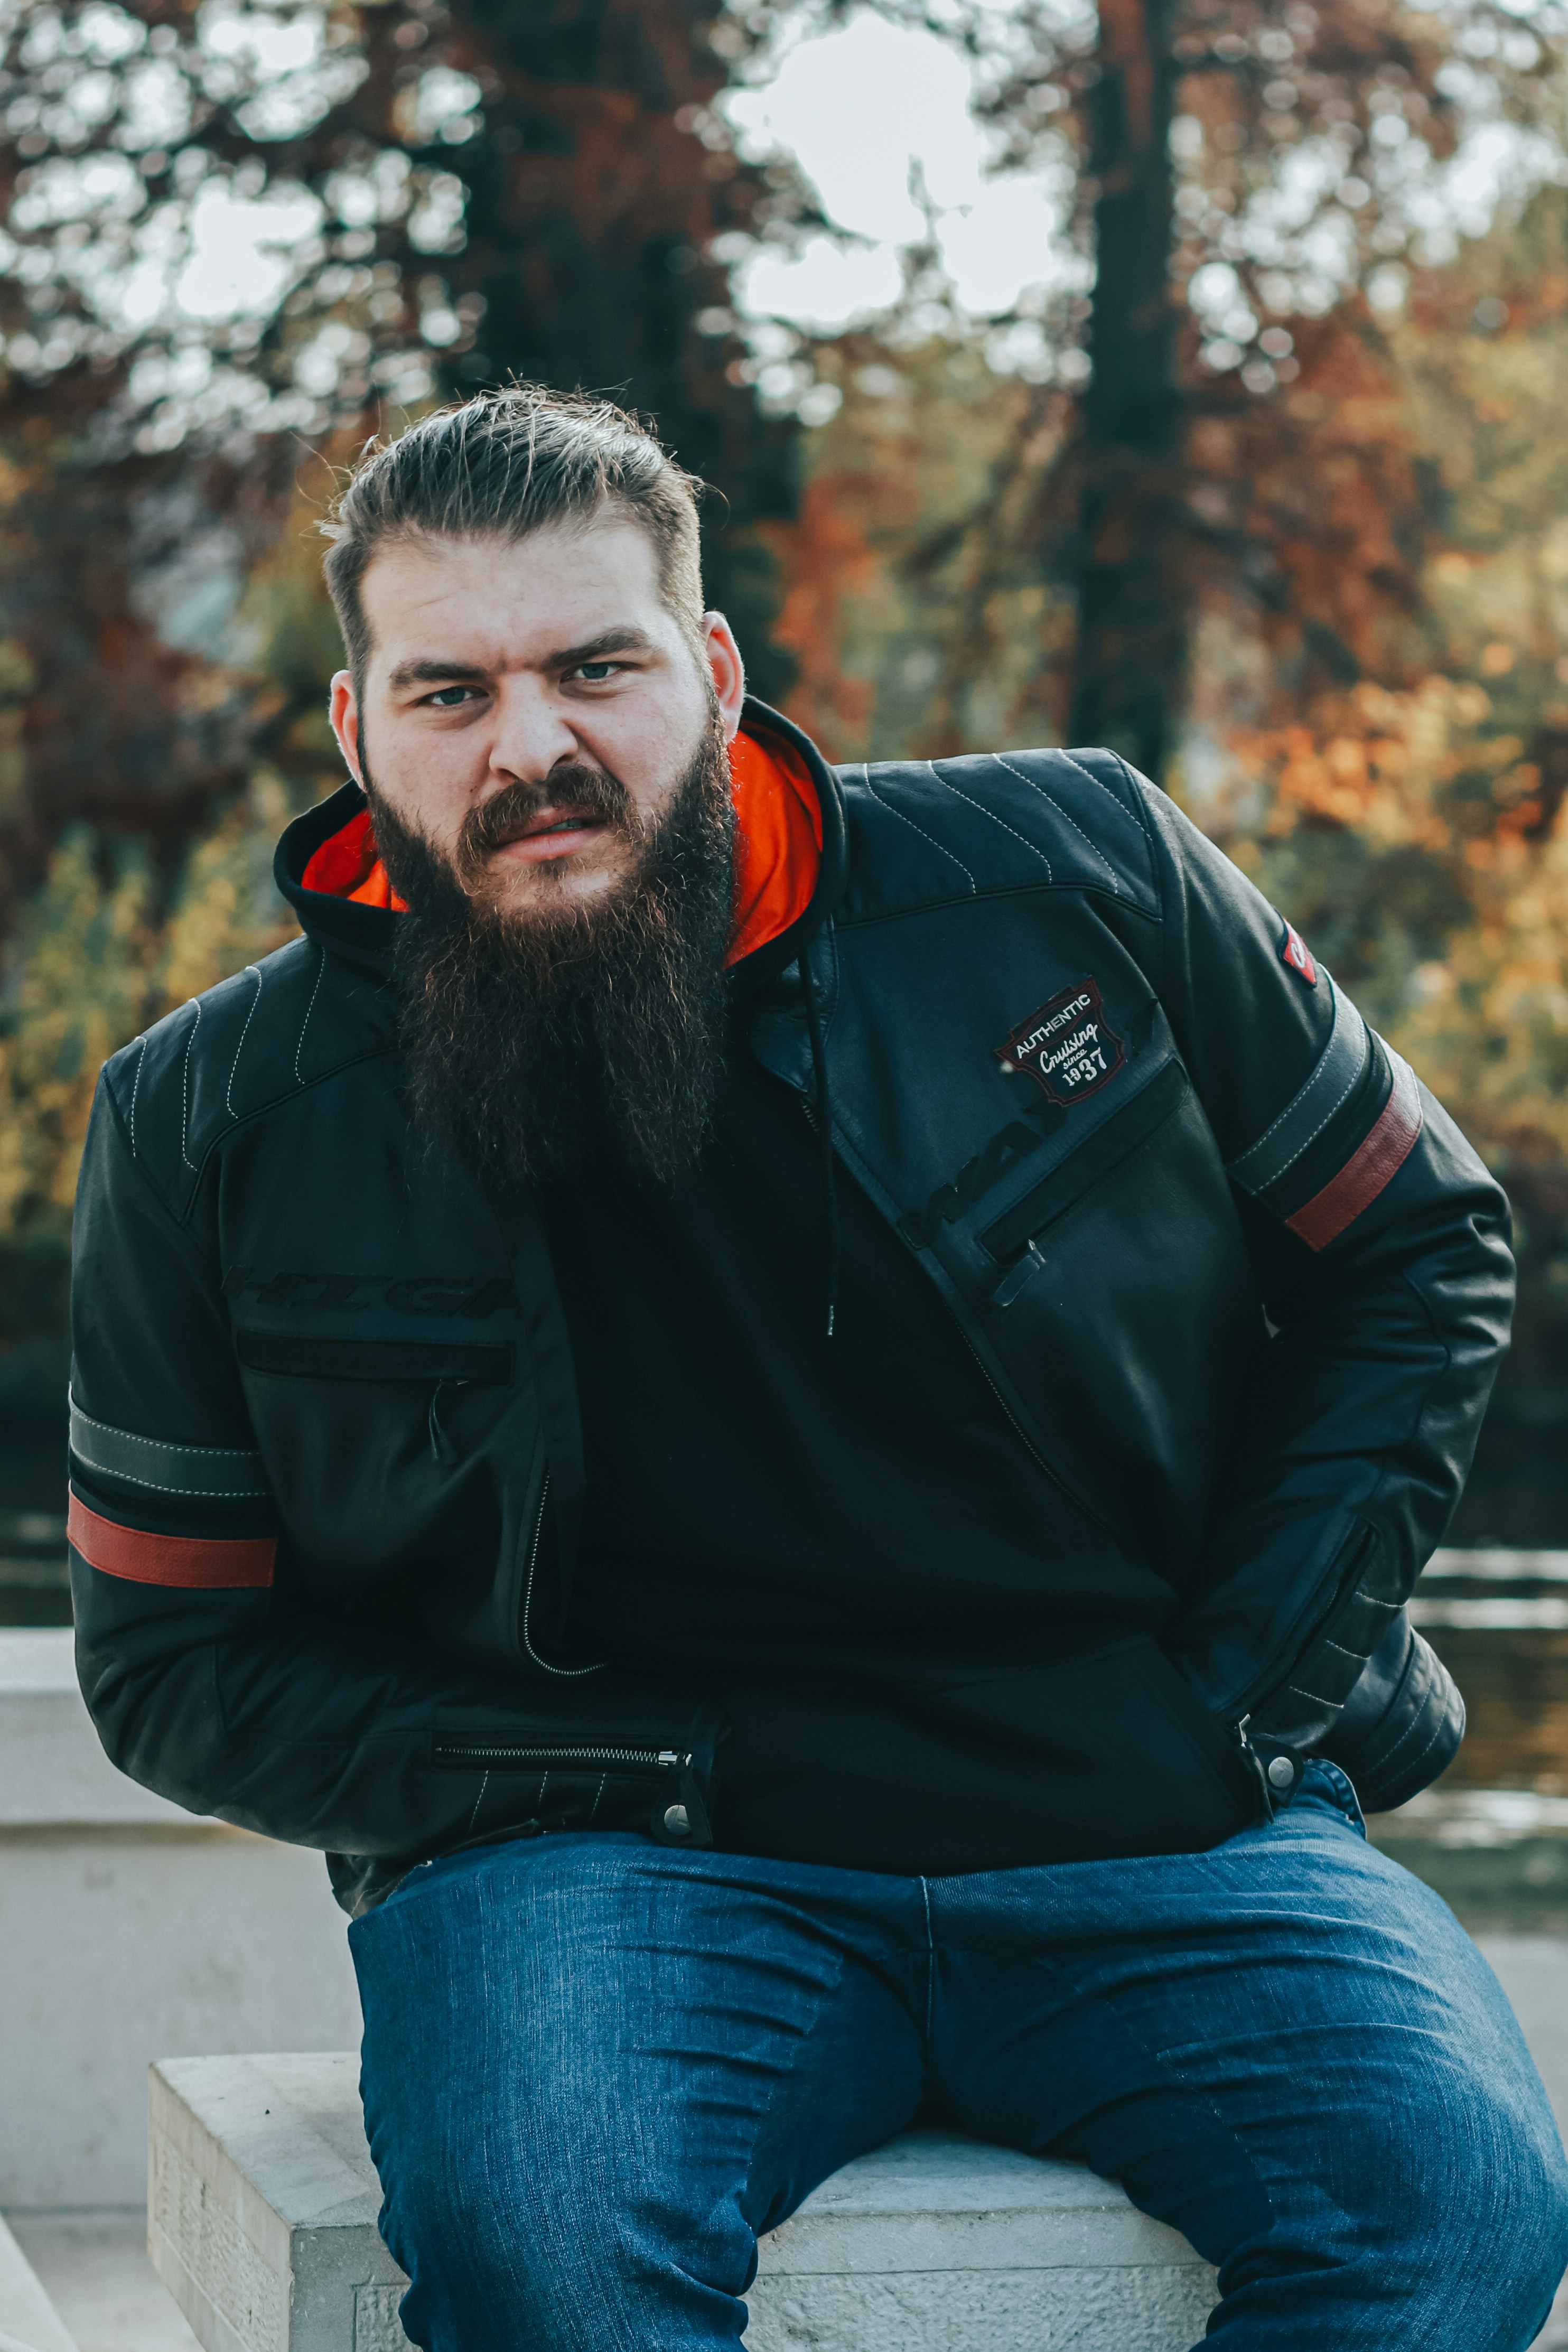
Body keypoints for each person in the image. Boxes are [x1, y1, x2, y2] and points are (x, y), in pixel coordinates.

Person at [69, 389, 1567, 2348]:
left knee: (1455, 2212)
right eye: (450, 693)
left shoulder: (1074, 868)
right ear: (357, 734)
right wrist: (625, 1775)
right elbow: (176, 1667)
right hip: (601, 1867)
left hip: (1166, 1810)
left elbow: (1418, 1245)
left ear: (709, 668)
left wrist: (1240, 1695)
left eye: (594, 668)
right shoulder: (206, 1120)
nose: (533, 747)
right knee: (550, 2259)